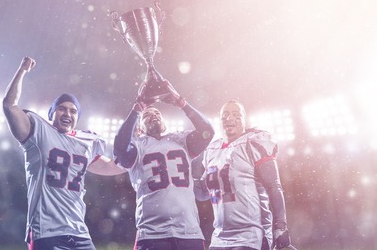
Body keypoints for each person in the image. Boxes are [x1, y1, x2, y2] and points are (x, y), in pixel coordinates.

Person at [2, 57, 125, 250]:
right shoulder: (38, 132)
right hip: (46, 231)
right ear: (51, 113)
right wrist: (22, 71)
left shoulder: (85, 142)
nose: (68, 114)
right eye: (62, 109)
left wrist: (137, 150)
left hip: (78, 232)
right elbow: (9, 106)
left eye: (73, 111)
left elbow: (112, 166)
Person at [113, 80, 215, 250]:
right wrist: (137, 109)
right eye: (147, 115)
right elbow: (119, 149)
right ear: (139, 128)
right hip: (153, 234)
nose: (153, 115)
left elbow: (208, 132)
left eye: (157, 114)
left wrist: (182, 103)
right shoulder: (138, 146)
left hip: (189, 232)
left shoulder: (181, 140)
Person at [194, 100, 292, 250]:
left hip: (251, 234)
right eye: (225, 115)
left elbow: (274, 186)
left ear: (244, 120)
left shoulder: (252, 142)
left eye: (236, 114)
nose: (229, 118)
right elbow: (202, 193)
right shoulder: (212, 150)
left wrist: (280, 225)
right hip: (219, 237)